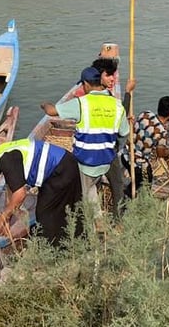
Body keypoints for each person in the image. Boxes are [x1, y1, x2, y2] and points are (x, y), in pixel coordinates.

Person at [42, 66, 129, 222]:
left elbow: (51, 111)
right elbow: (124, 133)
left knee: (87, 193)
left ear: (86, 84)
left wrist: (44, 104)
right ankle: (118, 221)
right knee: (117, 187)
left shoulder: (81, 103)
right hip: (107, 159)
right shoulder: (117, 105)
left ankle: (96, 223)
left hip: (86, 162)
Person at [0, 138, 82, 244]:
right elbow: (11, 188)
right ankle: (74, 240)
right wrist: (7, 220)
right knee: (65, 208)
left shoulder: (6, 160)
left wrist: (1, 219)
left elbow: (20, 194)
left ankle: (53, 249)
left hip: (61, 169)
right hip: (63, 163)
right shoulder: (2, 152)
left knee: (46, 215)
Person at [119, 96, 169, 195]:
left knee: (137, 183)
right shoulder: (161, 133)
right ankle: (131, 200)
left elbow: (143, 129)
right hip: (139, 164)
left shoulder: (145, 114)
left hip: (125, 155)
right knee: (146, 188)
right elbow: (160, 153)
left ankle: (129, 193)